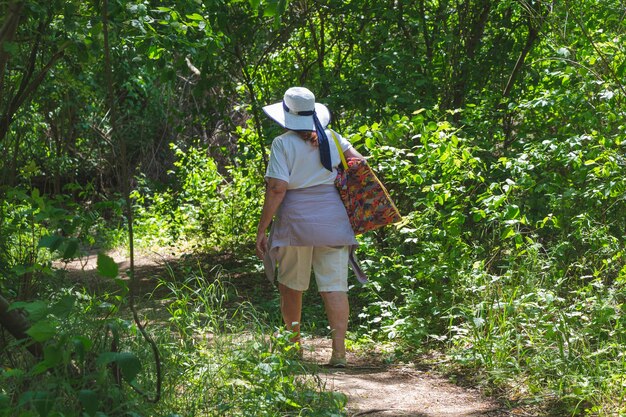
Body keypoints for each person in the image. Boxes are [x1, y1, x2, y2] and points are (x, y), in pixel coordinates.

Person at [255, 86, 364, 368]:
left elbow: (278, 188)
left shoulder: (282, 143)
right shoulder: (333, 138)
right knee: (335, 286)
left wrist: (262, 229)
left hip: (295, 224)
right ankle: (339, 354)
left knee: (291, 286)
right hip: (333, 221)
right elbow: (361, 165)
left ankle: (293, 350)